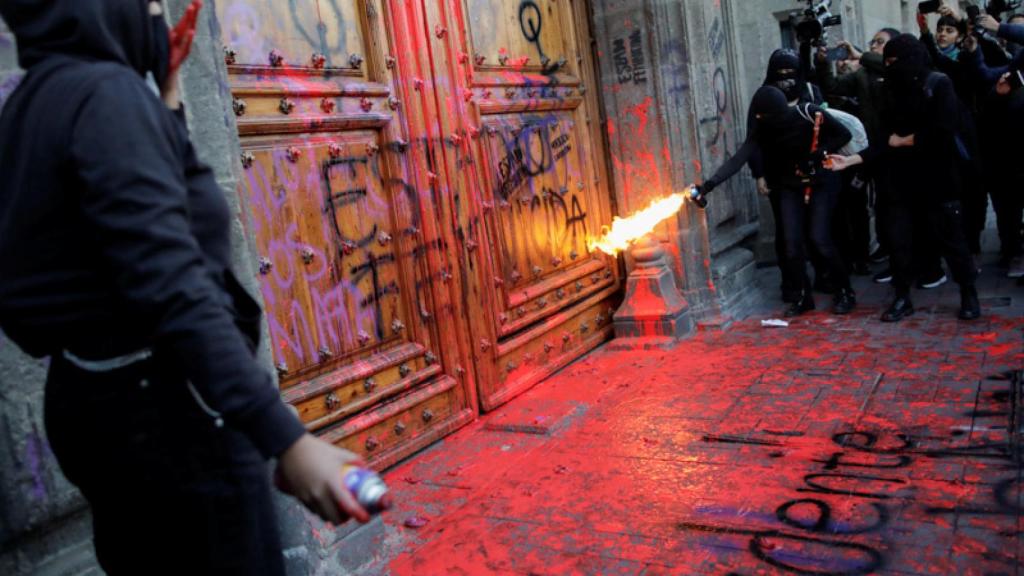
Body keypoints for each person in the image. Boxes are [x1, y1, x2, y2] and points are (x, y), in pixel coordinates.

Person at [0, 1, 370, 573]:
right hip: (169, 412)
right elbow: (174, 284)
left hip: (93, 401)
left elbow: (143, 219)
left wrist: (166, 91)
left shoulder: (29, 106)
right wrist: (288, 441)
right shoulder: (106, 98)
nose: (155, 12)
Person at [828, 34, 981, 322]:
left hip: (938, 177)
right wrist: (850, 160)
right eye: (887, 62)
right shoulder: (889, 90)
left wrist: (905, 141)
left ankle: (968, 293)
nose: (891, 67)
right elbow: (883, 139)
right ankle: (902, 297)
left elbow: (943, 132)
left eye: (896, 62)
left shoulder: (939, 84)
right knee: (898, 241)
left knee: (951, 241)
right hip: (898, 181)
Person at [694, 86, 855, 317]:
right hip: (788, 186)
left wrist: (819, 153)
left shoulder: (808, 113)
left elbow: (844, 134)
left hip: (820, 183)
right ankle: (803, 296)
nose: (763, 121)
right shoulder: (763, 128)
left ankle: (845, 291)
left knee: (819, 239)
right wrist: (708, 185)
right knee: (790, 244)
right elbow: (739, 159)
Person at [816, 29, 901, 278]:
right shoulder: (862, 74)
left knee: (895, 204)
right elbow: (833, 86)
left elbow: (892, 70)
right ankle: (881, 255)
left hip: (897, 147)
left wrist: (861, 55)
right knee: (875, 205)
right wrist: (822, 64)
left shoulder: (895, 71)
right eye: (872, 42)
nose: (874, 46)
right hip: (868, 151)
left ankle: (904, 258)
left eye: (880, 42)